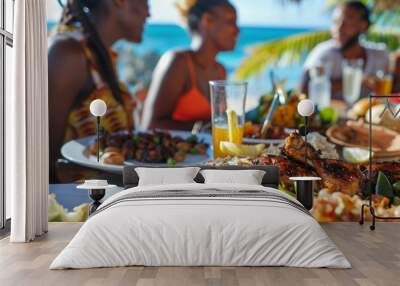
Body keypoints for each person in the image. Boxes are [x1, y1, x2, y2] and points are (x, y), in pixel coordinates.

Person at [48, 0, 150, 182]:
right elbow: (42, 160)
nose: (149, 13)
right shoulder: (68, 53)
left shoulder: (100, 54)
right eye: (146, 2)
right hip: (82, 204)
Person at [142, 0, 239, 131]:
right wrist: (206, 127)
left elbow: (219, 122)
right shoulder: (179, 62)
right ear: (207, 20)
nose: (237, 30)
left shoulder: (220, 70)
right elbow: (151, 125)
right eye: (230, 21)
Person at [301, 1, 390, 100]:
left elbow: (393, 89)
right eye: (335, 22)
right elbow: (303, 91)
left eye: (347, 21)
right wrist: (357, 80)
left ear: (363, 26)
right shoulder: (323, 54)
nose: (339, 28)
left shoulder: (380, 55)